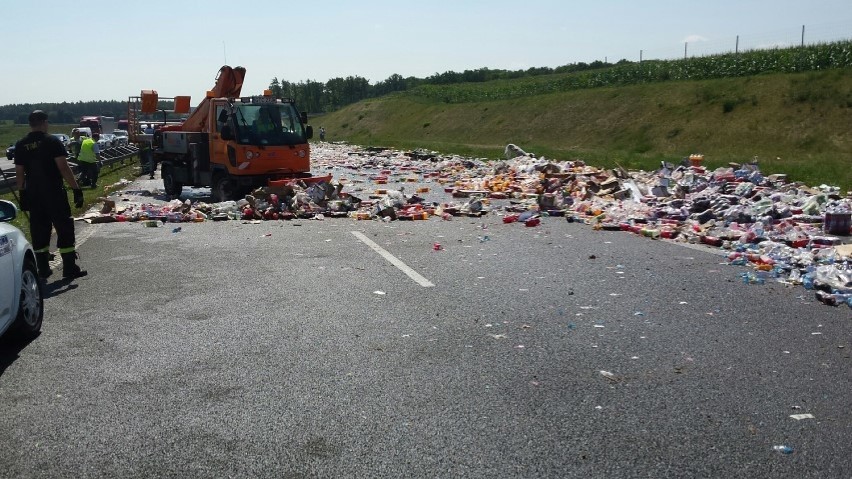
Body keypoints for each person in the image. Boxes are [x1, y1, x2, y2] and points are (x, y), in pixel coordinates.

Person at [14, 110, 87, 280]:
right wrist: (76, 188)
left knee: (39, 229)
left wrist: (22, 193)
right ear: (44, 122)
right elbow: (63, 167)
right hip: (53, 192)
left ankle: (43, 269)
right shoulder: (52, 141)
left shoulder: (21, 144)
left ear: (30, 124)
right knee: (64, 227)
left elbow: (19, 173)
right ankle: (69, 268)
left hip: (33, 194)